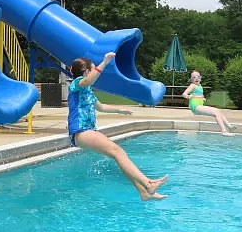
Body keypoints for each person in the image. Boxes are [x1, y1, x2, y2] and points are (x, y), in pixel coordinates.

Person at [68, 53, 168, 201]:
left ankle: (143, 192)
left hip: (87, 131)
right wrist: (104, 63)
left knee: (118, 155)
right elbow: (87, 81)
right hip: (80, 130)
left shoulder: (88, 91)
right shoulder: (76, 83)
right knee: (118, 151)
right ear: (87, 72)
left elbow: (101, 107)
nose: (96, 71)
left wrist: (120, 110)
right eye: (93, 69)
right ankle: (148, 183)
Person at [182, 70, 236, 136]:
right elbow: (184, 94)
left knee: (218, 111)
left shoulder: (199, 86)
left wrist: (202, 98)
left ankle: (229, 126)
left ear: (201, 78)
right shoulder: (193, 86)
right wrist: (188, 96)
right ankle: (224, 131)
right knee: (216, 112)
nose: (196, 78)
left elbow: (198, 95)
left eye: (198, 77)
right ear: (191, 79)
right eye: (194, 77)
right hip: (195, 106)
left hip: (198, 106)